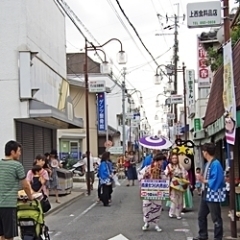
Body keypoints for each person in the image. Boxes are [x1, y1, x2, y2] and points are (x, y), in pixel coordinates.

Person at [0, 140, 32, 240]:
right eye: (19, 151)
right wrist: (30, 197)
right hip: (8, 205)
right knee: (9, 236)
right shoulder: (17, 165)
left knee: (2, 235)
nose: (20, 153)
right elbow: (25, 185)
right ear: (12, 152)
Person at [193, 143, 225, 240]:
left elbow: (217, 179)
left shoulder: (216, 164)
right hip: (206, 193)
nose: (202, 153)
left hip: (213, 194)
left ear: (206, 152)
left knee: (216, 218)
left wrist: (203, 180)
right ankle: (203, 235)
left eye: (203, 151)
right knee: (201, 215)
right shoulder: (208, 164)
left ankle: (218, 237)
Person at [139, 154, 166, 232]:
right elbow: (140, 176)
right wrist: (145, 175)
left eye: (162, 161)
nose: (162, 162)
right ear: (156, 161)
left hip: (157, 190)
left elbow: (165, 179)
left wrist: (162, 177)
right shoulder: (147, 168)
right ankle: (146, 222)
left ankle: (156, 224)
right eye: (161, 161)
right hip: (148, 189)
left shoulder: (161, 171)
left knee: (157, 207)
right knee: (146, 206)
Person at [165, 153, 187, 220]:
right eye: (173, 158)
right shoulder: (169, 166)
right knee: (173, 199)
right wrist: (169, 171)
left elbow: (184, 173)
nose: (174, 160)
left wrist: (184, 178)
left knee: (180, 199)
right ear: (171, 159)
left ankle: (178, 213)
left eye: (175, 158)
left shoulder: (180, 166)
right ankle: (171, 212)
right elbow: (165, 173)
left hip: (179, 183)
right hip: (172, 184)